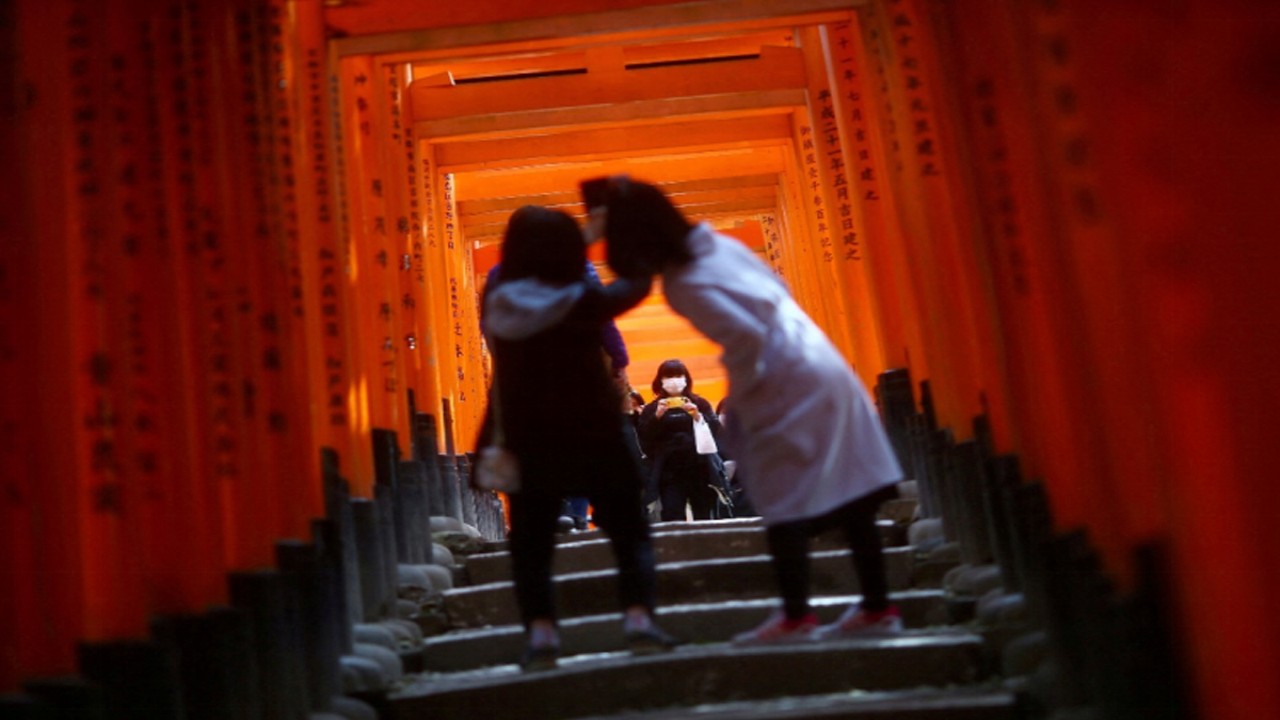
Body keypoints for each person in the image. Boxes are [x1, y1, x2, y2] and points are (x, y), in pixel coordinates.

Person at [599, 176, 905, 643]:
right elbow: (774, 293)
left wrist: (741, 403)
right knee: (853, 493)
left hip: (781, 379)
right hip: (820, 360)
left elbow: (747, 339)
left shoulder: (684, 282)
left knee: (780, 498)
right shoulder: (721, 248)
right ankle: (878, 606)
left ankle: (796, 615)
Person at [478, 205, 677, 669]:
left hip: (528, 431)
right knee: (628, 529)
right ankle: (638, 621)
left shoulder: (500, 292)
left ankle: (543, 636)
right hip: (594, 426)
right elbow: (632, 287)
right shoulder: (577, 293)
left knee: (531, 541)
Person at [484, 261, 630, 534]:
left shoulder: (501, 273)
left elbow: (489, 324)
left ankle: (547, 514)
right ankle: (576, 516)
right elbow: (601, 317)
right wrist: (619, 359)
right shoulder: (579, 268)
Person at [637, 359, 723, 521]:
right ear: (661, 380)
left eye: (678, 375)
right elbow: (644, 440)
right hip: (669, 472)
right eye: (669, 376)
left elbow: (716, 432)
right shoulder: (652, 408)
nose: (674, 380)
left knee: (704, 514)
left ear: (686, 378)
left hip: (699, 467)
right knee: (672, 514)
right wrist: (657, 417)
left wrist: (697, 416)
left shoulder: (700, 403)